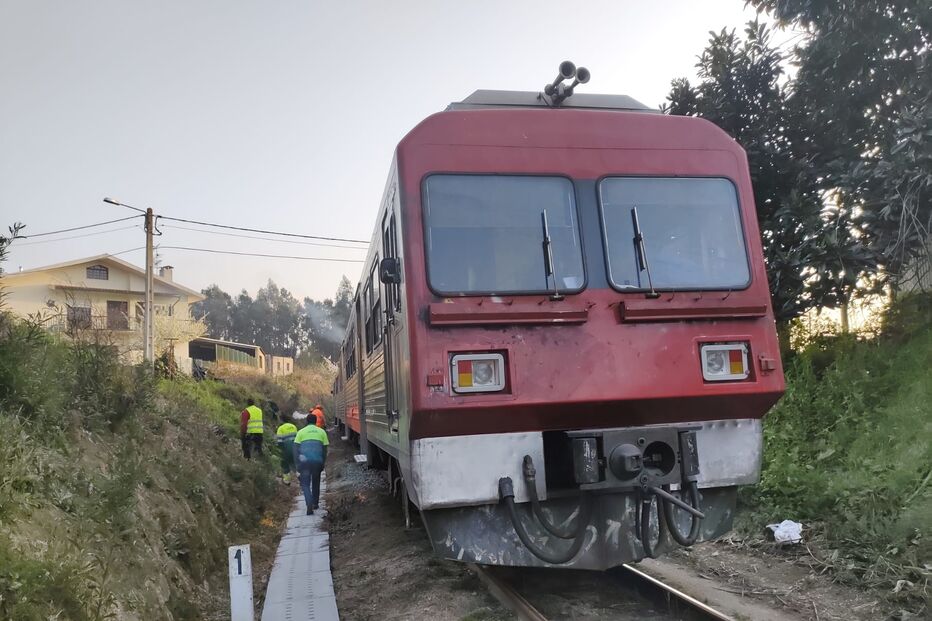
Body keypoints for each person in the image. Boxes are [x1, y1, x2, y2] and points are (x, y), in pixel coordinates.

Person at [293, 416, 329, 515]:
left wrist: (297, 464)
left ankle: (309, 503)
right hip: (317, 461)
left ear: (306, 421)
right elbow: (325, 450)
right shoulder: (322, 432)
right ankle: (315, 504)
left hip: (304, 462)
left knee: (305, 484)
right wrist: (323, 462)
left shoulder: (300, 432)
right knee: (316, 482)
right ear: (316, 421)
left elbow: (295, 450)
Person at [275, 412, 298, 484]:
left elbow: (280, 443)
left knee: (284, 464)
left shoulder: (280, 429)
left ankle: (287, 481)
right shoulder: (293, 426)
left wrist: (280, 452)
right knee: (295, 464)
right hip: (295, 449)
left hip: (286, 450)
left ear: (281, 420)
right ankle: (300, 476)